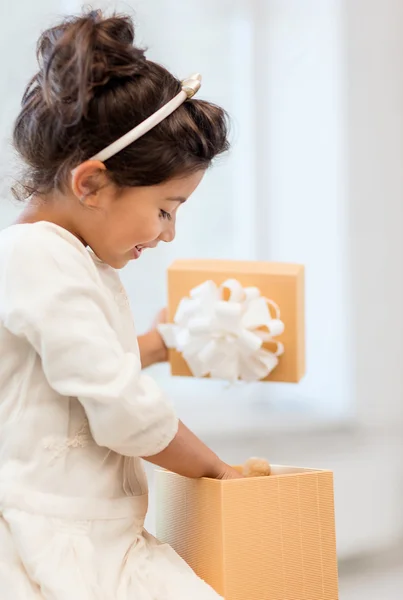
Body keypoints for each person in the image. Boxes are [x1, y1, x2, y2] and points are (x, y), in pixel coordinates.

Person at [0, 10, 241, 599]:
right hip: (54, 537)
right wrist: (221, 473)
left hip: (101, 531)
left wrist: (154, 347)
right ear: (91, 184)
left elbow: (71, 376)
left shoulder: (67, 257)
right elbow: (122, 410)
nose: (168, 234)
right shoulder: (36, 256)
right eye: (165, 209)